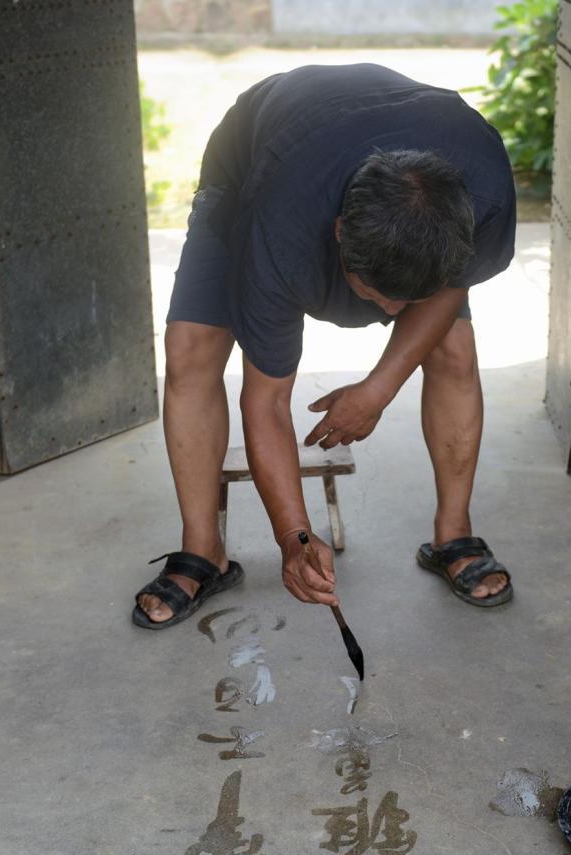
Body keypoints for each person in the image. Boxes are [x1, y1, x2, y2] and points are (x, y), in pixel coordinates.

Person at [132, 63, 517, 631]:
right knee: (191, 347)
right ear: (339, 233)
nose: (391, 313)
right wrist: (296, 536)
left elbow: (450, 285)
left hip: (406, 142)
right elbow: (264, 402)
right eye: (377, 296)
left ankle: (453, 534)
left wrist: (378, 388)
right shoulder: (280, 229)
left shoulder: (482, 187)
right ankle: (203, 550)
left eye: (406, 298)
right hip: (256, 157)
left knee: (454, 348)